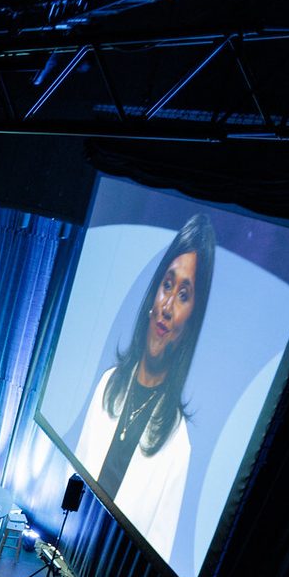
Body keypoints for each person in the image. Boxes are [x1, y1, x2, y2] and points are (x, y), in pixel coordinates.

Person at [72, 212, 217, 552]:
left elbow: (158, 548)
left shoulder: (178, 444)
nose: (167, 306)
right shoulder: (109, 385)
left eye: (184, 294)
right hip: (71, 544)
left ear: (191, 321)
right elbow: (74, 474)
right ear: (153, 294)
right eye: (167, 285)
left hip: (111, 568)